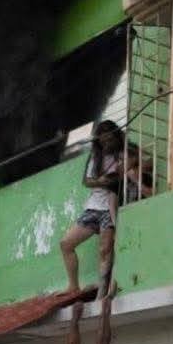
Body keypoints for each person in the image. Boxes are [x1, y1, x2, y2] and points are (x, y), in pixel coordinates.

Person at [59, 119, 124, 299]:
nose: (106, 143)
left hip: (110, 207)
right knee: (66, 244)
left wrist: (111, 179)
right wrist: (100, 181)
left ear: (116, 137)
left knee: (105, 250)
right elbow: (86, 182)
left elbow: (124, 176)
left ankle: (102, 293)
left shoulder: (123, 154)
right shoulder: (95, 156)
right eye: (103, 140)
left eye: (109, 139)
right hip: (92, 207)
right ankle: (73, 286)